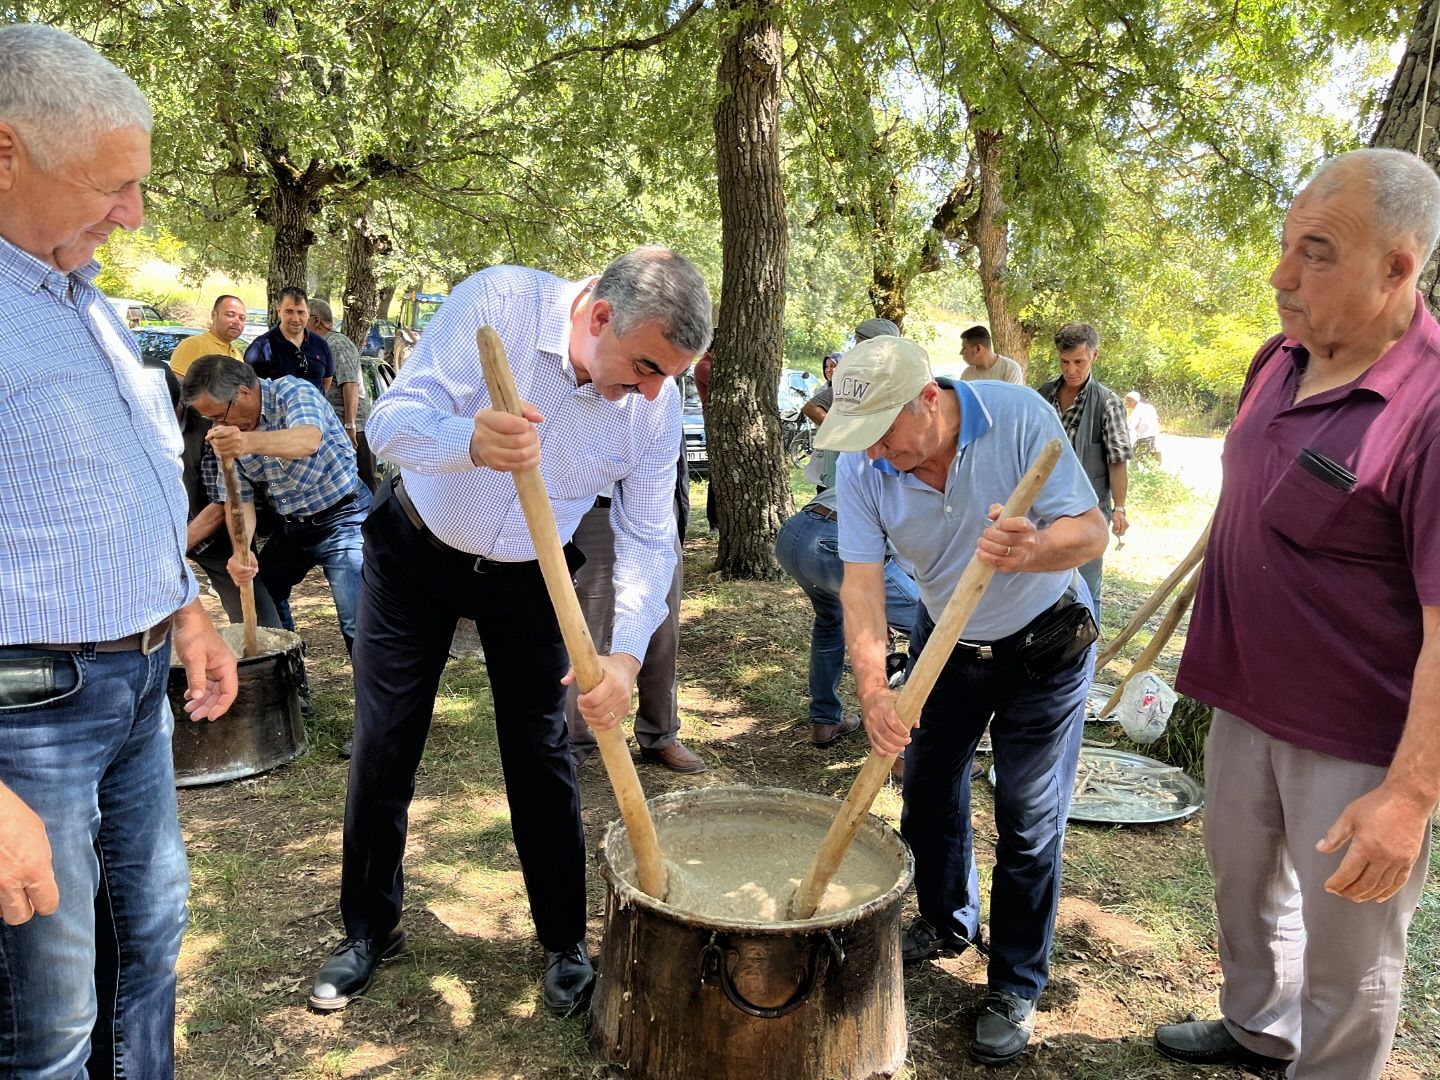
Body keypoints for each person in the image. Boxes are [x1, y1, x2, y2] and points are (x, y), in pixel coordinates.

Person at [309, 247, 711, 1019]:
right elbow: (389, 425)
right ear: (599, 317)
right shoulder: (496, 303)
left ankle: (562, 940)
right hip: (417, 549)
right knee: (385, 738)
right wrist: (470, 440)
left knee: (540, 749)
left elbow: (651, 532)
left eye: (671, 376)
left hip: (534, 575)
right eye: (647, 366)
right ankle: (368, 928)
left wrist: (624, 654)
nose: (655, 391)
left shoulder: (655, 405)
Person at [1153, 148, 1440, 1080]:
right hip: (1239, 705)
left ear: (1400, 266)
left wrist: (1408, 795)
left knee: (1350, 953)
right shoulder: (1276, 359)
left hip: (1356, 741)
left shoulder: (1430, 409)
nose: (1281, 276)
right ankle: (1256, 1031)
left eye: (1315, 253)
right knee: (1244, 896)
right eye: (1285, 247)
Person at [0, 25, 237, 1078]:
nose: (133, 215)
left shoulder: (77, 298)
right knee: (44, 1022)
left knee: (148, 951)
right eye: (112, 186)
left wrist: (184, 605)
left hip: (136, 684)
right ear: (7, 152)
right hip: (27, 714)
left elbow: (112, 484)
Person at [817, 336, 1105, 1066]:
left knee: (1028, 817)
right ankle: (947, 922)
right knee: (928, 790)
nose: (876, 455)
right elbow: (860, 585)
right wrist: (875, 688)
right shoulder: (862, 465)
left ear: (928, 398)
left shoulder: (1016, 416)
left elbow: (1091, 530)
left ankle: (1014, 983)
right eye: (863, 442)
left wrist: (1031, 547)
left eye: (884, 435)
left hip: (1046, 645)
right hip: (945, 645)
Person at [181, 355, 369, 657]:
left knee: (357, 619)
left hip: (344, 516)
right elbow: (238, 501)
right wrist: (242, 553)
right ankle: (291, 687)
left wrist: (246, 441)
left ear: (242, 393)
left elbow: (307, 440)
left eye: (219, 416)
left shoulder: (293, 392)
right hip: (293, 527)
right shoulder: (230, 435)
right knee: (264, 595)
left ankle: (374, 701)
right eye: (211, 420)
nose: (218, 426)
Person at [565, 430, 703, 773]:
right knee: (585, 629)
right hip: (591, 508)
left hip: (654, 508)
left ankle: (660, 734)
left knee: (661, 626)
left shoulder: (661, 387)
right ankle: (574, 739)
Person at [1036, 322, 1130, 607]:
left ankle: (1087, 652)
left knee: (1086, 593)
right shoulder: (1042, 395)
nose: (1071, 370)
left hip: (1086, 511)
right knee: (1042, 591)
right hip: (1042, 509)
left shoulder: (1107, 403)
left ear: (1094, 356)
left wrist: (1120, 508)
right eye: (1065, 362)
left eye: (1079, 361)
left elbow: (1117, 460)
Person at [309, 297, 376, 491]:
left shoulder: (337, 343)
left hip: (356, 430)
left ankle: (372, 520)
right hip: (336, 426)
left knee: (364, 482)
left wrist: (350, 425)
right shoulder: (321, 345)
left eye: (304, 316)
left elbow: (350, 385)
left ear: (316, 320)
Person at [244, 286, 335, 394]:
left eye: (301, 312)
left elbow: (326, 382)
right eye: (289, 312)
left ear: (308, 313)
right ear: (279, 312)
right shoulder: (261, 348)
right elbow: (250, 390)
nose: (296, 319)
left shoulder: (321, 345)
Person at [170, 293, 246, 375]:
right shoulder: (195, 345)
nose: (237, 321)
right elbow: (176, 383)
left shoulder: (238, 354)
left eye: (242, 318)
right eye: (230, 315)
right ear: (214, 315)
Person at [959, 324, 1025, 384]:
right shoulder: (967, 374)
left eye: (964, 348)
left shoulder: (1010, 369)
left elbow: (1010, 397)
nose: (961, 353)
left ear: (978, 349)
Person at [1123, 390, 1160, 460]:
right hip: (1155, 438)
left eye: (1127, 401)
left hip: (1145, 439)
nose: (1126, 403)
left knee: (1135, 459)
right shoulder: (1149, 407)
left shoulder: (1136, 411)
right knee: (1153, 463)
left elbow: (1129, 427)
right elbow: (1157, 419)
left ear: (1132, 401)